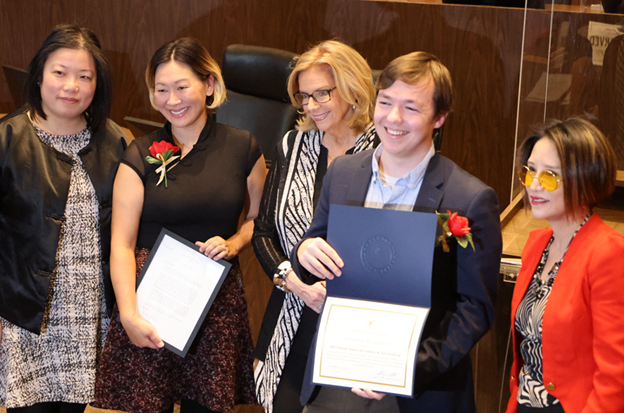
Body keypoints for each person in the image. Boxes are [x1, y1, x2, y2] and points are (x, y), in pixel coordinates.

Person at [293, 51, 502, 412]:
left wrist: (405, 369)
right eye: (386, 102)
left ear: (439, 117)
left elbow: (475, 309)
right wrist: (305, 250)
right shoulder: (343, 173)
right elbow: (315, 246)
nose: (393, 118)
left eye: (411, 108)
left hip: (420, 389)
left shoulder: (469, 198)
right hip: (336, 376)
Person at [93, 37, 266, 413]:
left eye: (182, 87)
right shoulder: (139, 153)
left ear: (209, 85)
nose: (172, 100)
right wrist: (128, 314)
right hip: (151, 300)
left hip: (215, 302)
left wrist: (234, 243)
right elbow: (121, 243)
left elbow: (259, 221)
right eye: (161, 89)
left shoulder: (243, 147)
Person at [0, 24, 125, 413]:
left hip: (86, 318)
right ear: (39, 75)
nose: (71, 86)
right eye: (60, 72)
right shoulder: (7, 138)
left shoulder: (116, 142)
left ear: (97, 84)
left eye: (84, 76)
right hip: (22, 317)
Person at [252, 40, 379, 413]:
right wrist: (296, 284)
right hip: (291, 311)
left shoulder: (384, 150)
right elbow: (263, 232)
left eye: (322, 93)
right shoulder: (293, 145)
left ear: (352, 88)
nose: (311, 106)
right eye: (304, 96)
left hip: (358, 325)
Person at [506, 119, 624, 413]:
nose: (533, 185)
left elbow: (615, 374)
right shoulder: (537, 244)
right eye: (529, 171)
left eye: (549, 176)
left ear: (584, 180)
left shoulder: (608, 252)